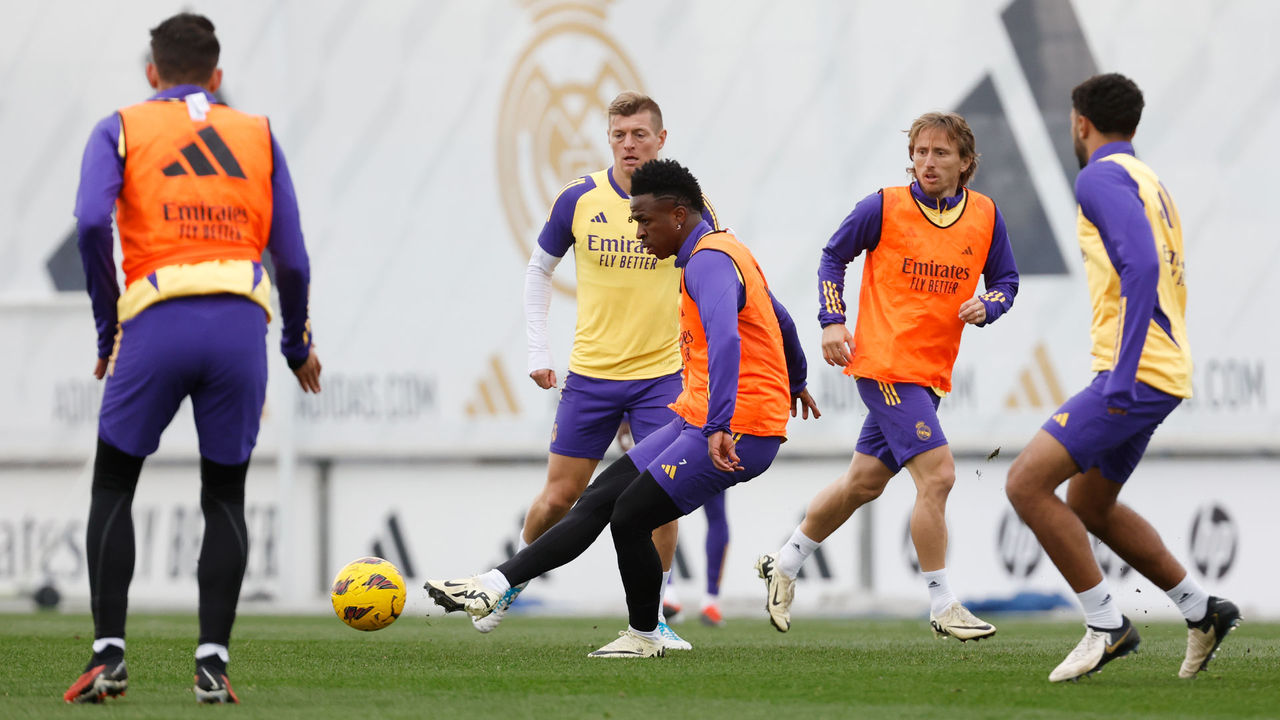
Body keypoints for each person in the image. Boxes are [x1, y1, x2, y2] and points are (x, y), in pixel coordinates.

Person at [427, 159, 819, 658]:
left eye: (643, 220)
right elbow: (779, 316)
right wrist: (799, 380)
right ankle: (495, 582)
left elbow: (724, 341)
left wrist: (724, 420)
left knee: (631, 516)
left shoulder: (708, 260)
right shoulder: (720, 249)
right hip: (699, 416)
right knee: (600, 497)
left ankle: (646, 634)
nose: (636, 232)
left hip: (735, 426)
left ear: (678, 216)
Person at [62, 13, 320, 705]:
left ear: (152, 72)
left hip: (155, 322)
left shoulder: (120, 126)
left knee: (115, 483)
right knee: (225, 495)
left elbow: (90, 223)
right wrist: (296, 344)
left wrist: (104, 326)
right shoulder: (256, 132)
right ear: (216, 74)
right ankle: (212, 663)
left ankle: (108, 655)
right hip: (239, 324)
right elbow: (292, 258)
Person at [1006, 73, 1240, 683]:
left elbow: (1138, 269)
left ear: (1080, 123)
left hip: (1134, 373)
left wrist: (1124, 371)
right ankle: (1202, 610)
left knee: (1026, 484)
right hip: (1163, 371)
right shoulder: (1147, 179)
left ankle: (1107, 625)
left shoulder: (1099, 177)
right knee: (1088, 501)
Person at [756, 111, 1019, 640]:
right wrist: (833, 321)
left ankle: (783, 562)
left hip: (929, 373)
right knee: (939, 475)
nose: (927, 161)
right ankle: (943, 605)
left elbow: (1006, 281)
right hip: (884, 365)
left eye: (941, 153)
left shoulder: (986, 215)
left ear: (965, 163)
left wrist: (988, 305)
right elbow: (833, 257)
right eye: (921, 151)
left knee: (863, 483)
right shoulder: (884, 206)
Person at [489, 92, 719, 650]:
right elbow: (538, 270)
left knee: (661, 498)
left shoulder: (687, 206)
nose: (629, 144)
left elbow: (715, 272)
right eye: (619, 135)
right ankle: (506, 588)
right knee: (557, 498)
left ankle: (655, 618)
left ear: (661, 140)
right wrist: (538, 351)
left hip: (664, 376)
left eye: (640, 134)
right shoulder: (579, 199)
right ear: (608, 138)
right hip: (591, 376)